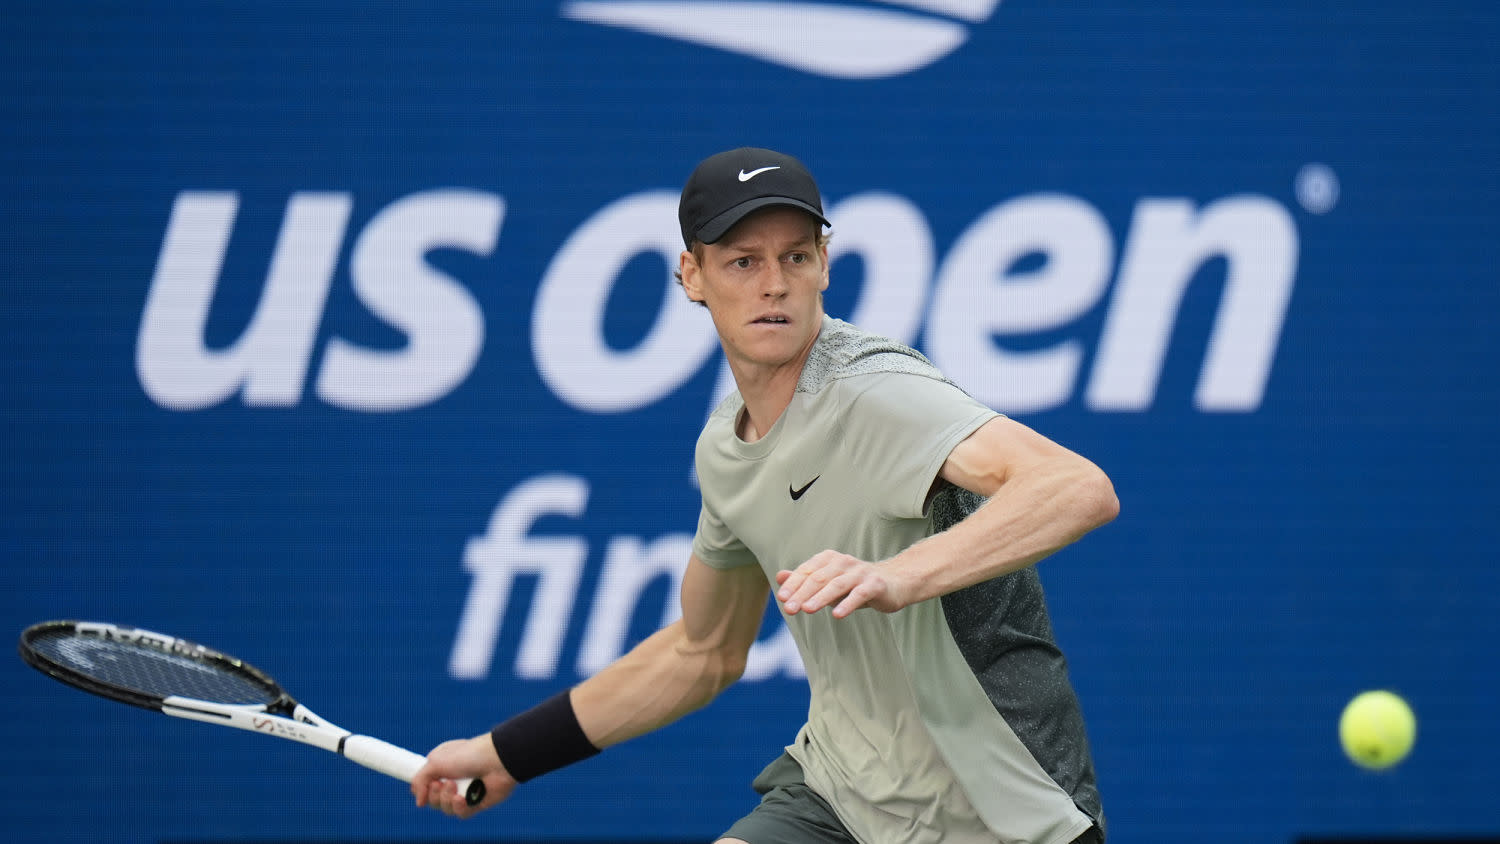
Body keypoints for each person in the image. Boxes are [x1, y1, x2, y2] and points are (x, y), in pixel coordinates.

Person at [412, 147, 1119, 844]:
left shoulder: (875, 392)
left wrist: (896, 575)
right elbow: (703, 651)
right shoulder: (726, 447)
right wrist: (509, 754)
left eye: (795, 257)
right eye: (743, 261)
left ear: (824, 266)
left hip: (1002, 816)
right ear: (692, 276)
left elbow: (1075, 487)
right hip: (842, 796)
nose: (774, 284)